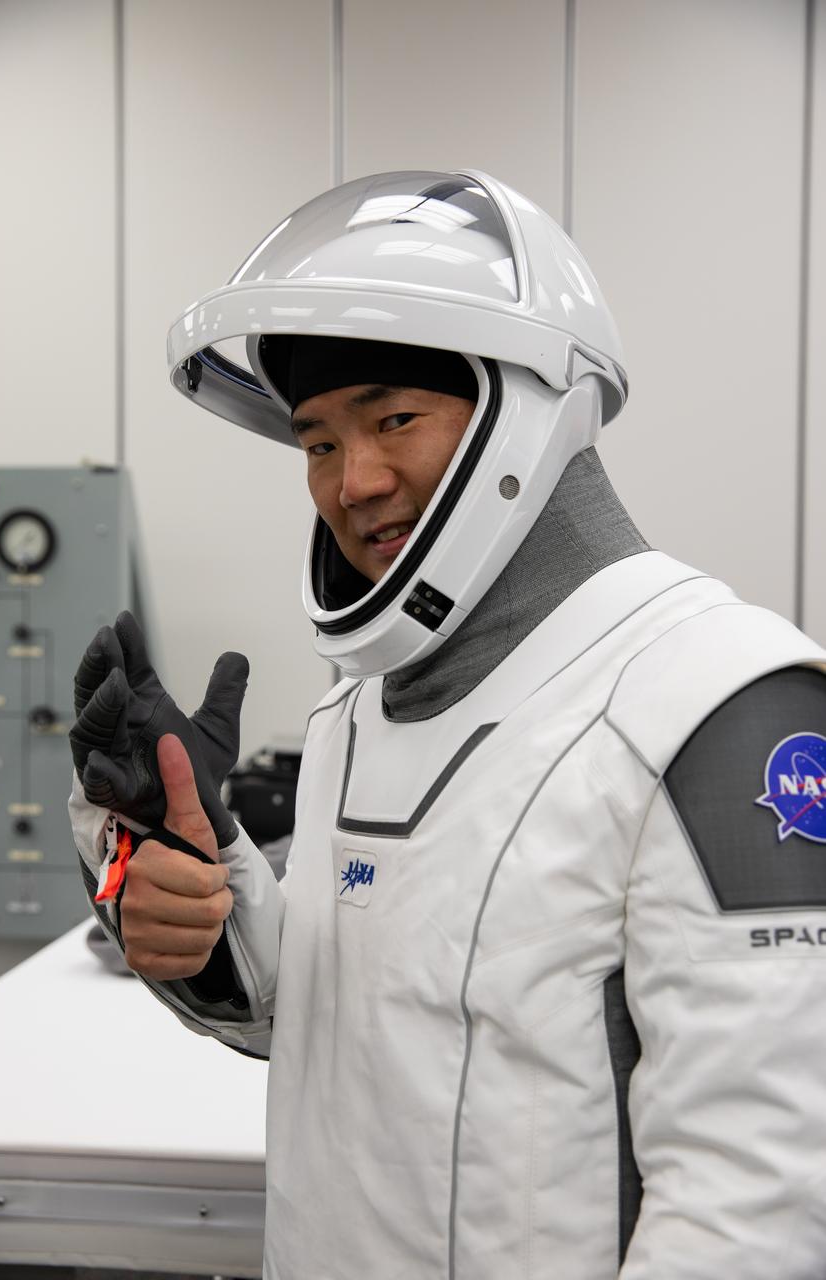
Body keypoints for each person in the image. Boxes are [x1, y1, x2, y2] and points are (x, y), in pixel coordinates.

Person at [69, 171, 826, 1279]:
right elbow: (333, 1024)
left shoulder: (722, 702)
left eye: (395, 418)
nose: (352, 481)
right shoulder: (354, 709)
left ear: (525, 412)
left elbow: (759, 1204)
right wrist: (192, 892)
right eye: (318, 441)